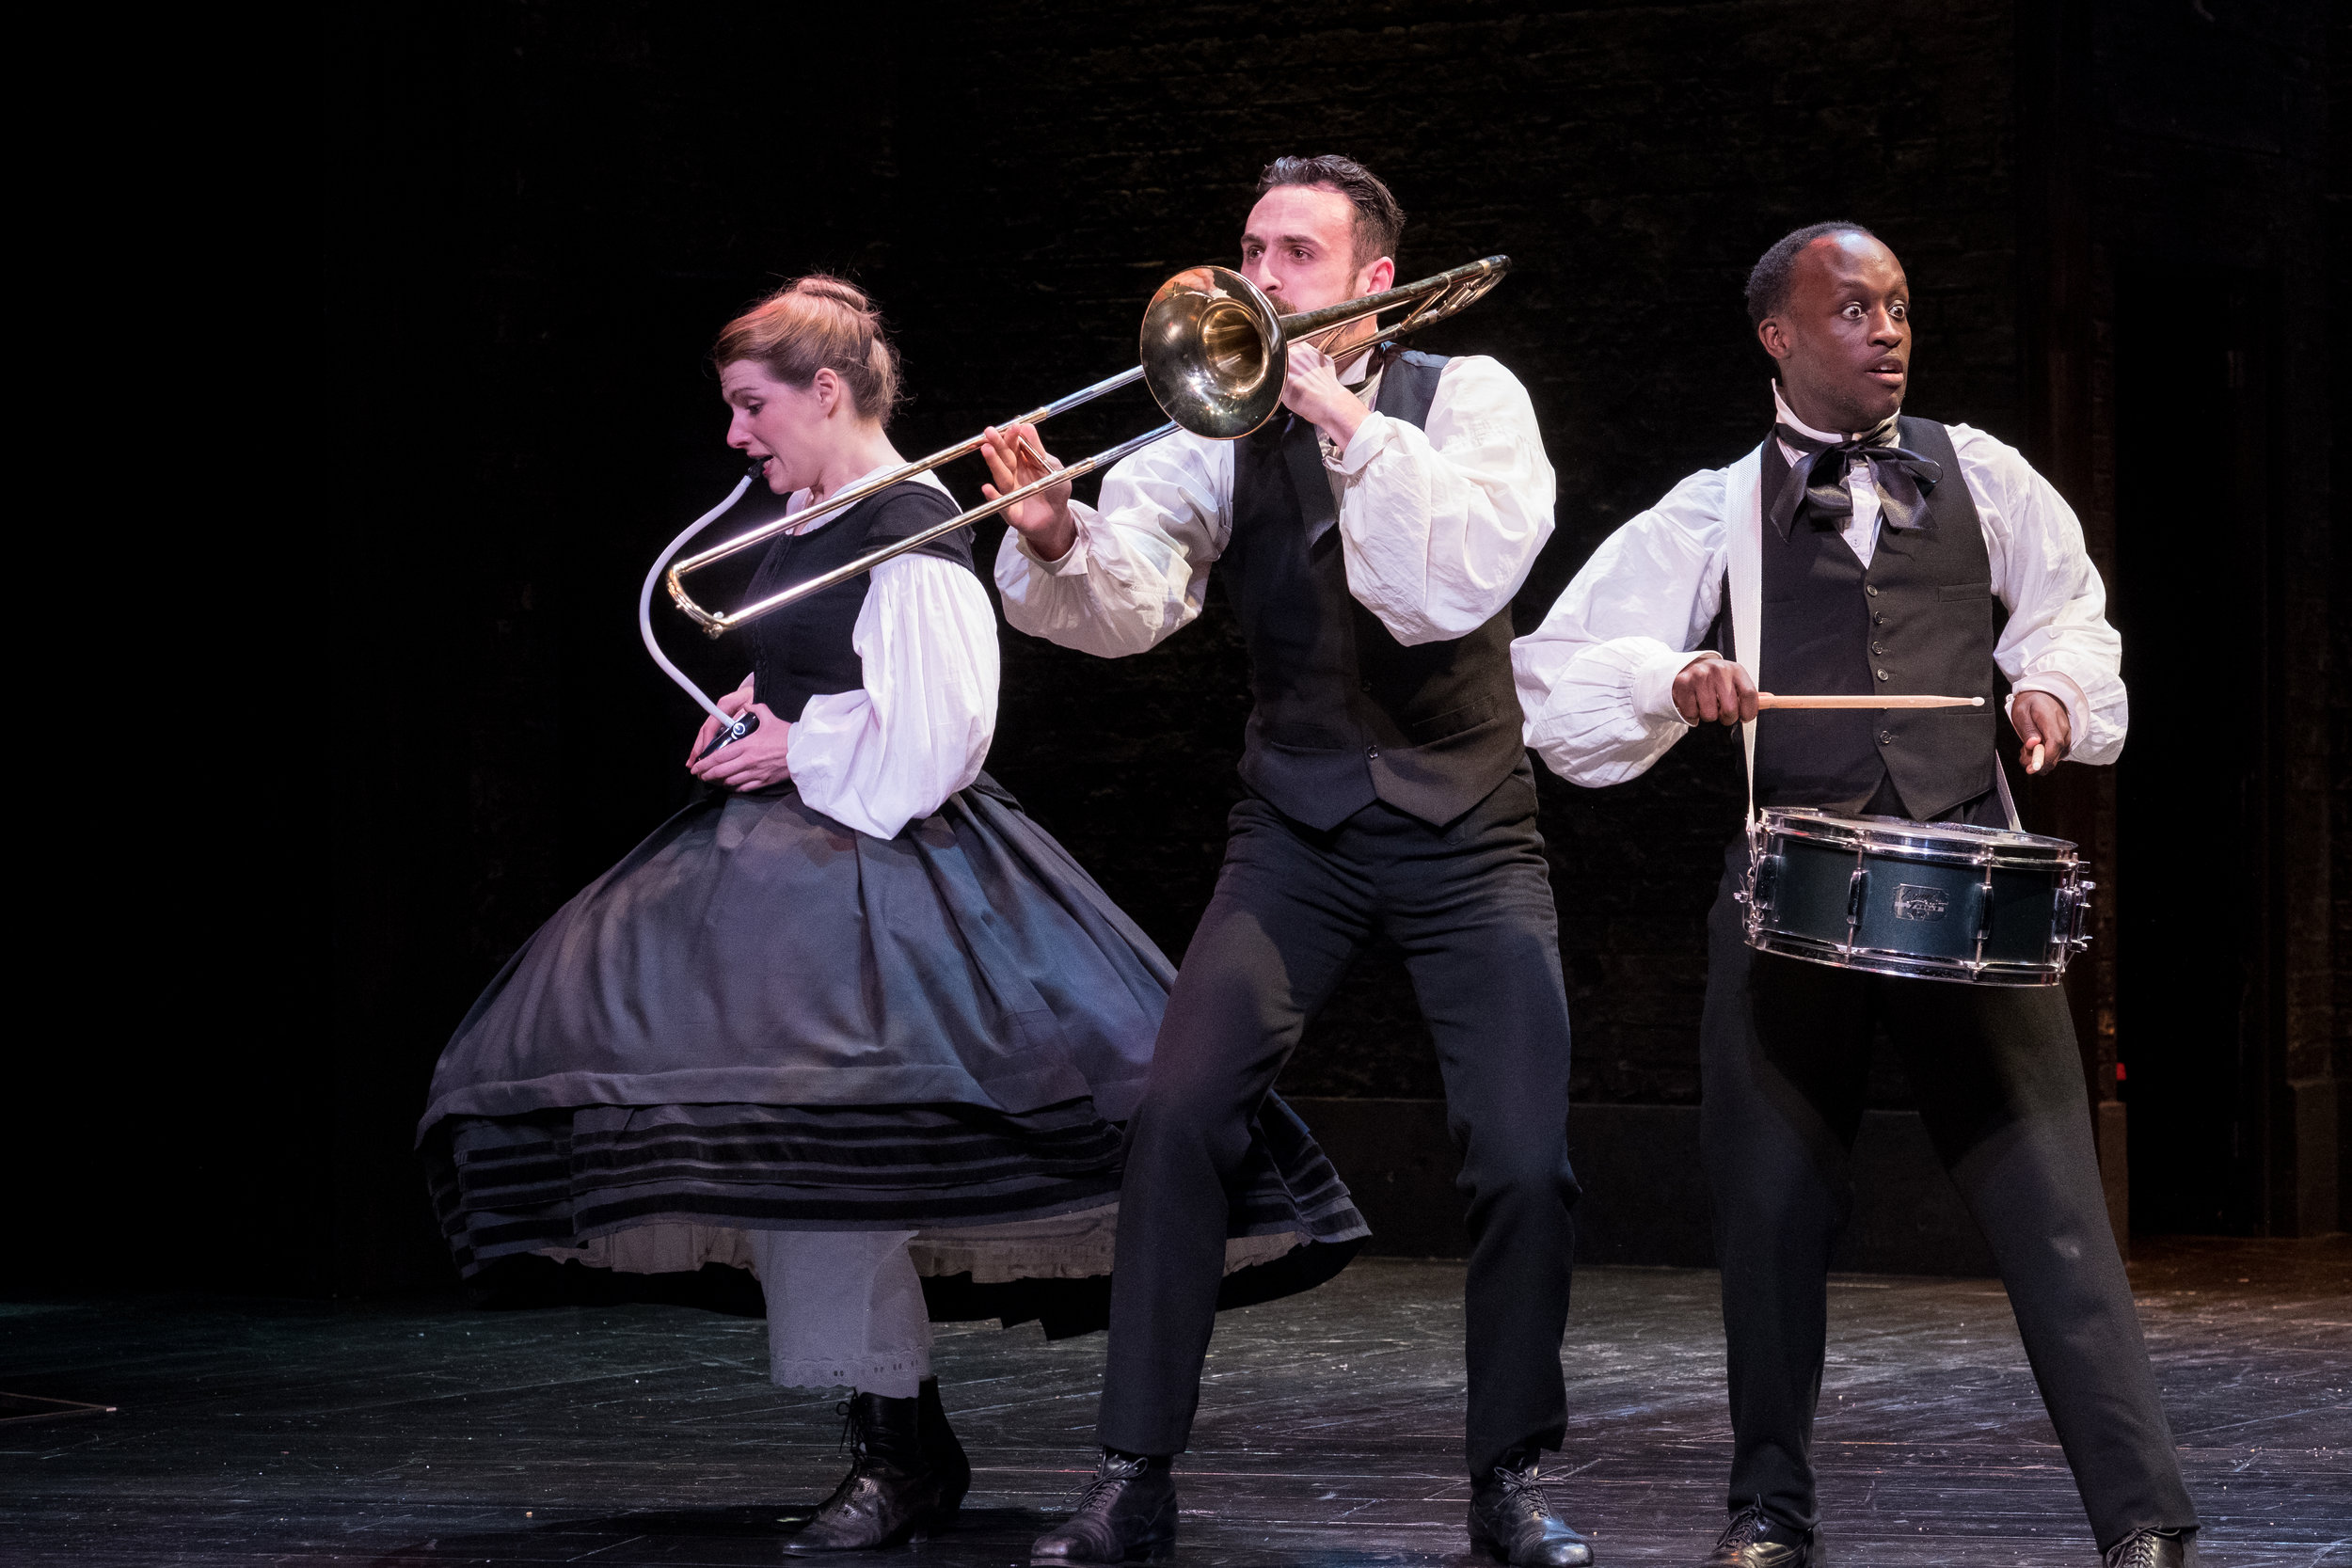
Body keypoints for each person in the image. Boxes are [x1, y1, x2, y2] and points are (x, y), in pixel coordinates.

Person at [419, 276, 1365, 1553]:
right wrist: (758, 711)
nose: (738, 436)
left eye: (754, 406)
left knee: (839, 1149)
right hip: (786, 861)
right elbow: (828, 673)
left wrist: (797, 744)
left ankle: (902, 1451)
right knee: (803, 1159)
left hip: (885, 864)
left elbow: (938, 737)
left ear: (826, 393)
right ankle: (896, 1437)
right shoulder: (805, 516)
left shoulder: (913, 520)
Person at [1512, 223, 2200, 1568]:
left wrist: (2053, 692)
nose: (1886, 329)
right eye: (1851, 309)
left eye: (1896, 306)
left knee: (2057, 1217)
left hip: (1966, 886)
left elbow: (2069, 614)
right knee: (1768, 1223)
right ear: (1778, 335)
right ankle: (1768, 1509)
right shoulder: (1715, 506)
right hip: (1790, 895)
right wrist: (1677, 680)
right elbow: (1562, 668)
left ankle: (2144, 1517)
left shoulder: (1981, 470)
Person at [984, 155, 1592, 1568]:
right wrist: (1060, 535)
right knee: (1178, 1116)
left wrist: (1339, 415)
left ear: (1374, 281)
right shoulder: (1213, 427)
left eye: (1296, 254)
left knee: (1521, 1161)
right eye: (1251, 247)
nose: (1261, 276)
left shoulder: (1474, 398)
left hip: (1467, 824)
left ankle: (1508, 1479)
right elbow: (1135, 593)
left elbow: (1451, 581)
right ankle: (1132, 1471)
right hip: (1298, 828)